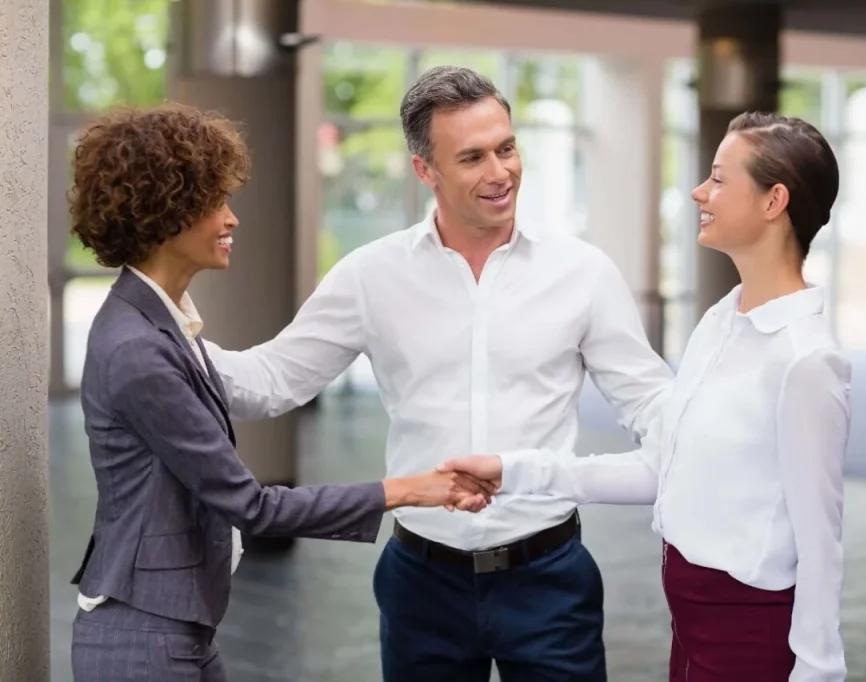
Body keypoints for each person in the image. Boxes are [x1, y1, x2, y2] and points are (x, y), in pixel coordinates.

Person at [203, 66, 675, 681]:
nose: (500, 172)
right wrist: (165, 328)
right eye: (473, 157)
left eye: (506, 148)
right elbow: (268, 383)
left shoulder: (582, 272)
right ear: (425, 170)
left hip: (549, 579)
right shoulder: (372, 276)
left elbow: (649, 400)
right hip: (421, 583)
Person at [66, 102, 492, 682]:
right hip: (145, 640)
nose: (231, 219)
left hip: (171, 629)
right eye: (215, 203)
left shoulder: (159, 325)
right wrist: (408, 490)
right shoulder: (139, 349)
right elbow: (253, 507)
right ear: (165, 214)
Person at [441, 112, 851, 682]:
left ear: (773, 200)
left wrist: (818, 670)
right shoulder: (719, 322)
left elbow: (821, 541)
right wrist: (511, 471)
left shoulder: (807, 361)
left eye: (719, 178)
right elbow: (662, 469)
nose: (697, 191)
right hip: (691, 621)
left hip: (750, 634)